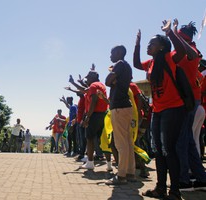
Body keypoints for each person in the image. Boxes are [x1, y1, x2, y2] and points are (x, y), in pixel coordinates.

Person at [133, 20, 187, 199]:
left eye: (152, 43)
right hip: (157, 110)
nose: (149, 46)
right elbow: (136, 64)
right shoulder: (151, 62)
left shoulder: (169, 58)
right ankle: (160, 188)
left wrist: (169, 32)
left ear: (162, 47)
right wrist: (138, 43)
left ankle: (175, 191)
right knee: (158, 151)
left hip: (173, 109)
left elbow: (182, 51)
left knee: (168, 150)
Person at [172, 19, 206, 191]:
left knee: (182, 142)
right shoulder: (191, 49)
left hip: (188, 102)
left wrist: (175, 31)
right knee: (191, 142)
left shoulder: (190, 51)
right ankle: (201, 178)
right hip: (192, 101)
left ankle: (184, 181)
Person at [104, 45, 135, 185]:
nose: (110, 55)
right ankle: (130, 173)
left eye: (112, 52)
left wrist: (113, 80)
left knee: (120, 144)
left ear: (119, 53)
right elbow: (111, 82)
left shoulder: (120, 64)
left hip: (119, 108)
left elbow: (107, 81)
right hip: (126, 108)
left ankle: (121, 175)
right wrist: (113, 81)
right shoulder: (126, 66)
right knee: (128, 143)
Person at [80, 70, 108, 170]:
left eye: (88, 77)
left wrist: (87, 117)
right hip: (102, 114)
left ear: (93, 77)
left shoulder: (93, 86)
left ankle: (90, 162)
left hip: (94, 115)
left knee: (90, 138)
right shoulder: (101, 85)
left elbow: (94, 101)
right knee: (102, 139)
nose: (87, 79)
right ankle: (108, 164)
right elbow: (83, 90)